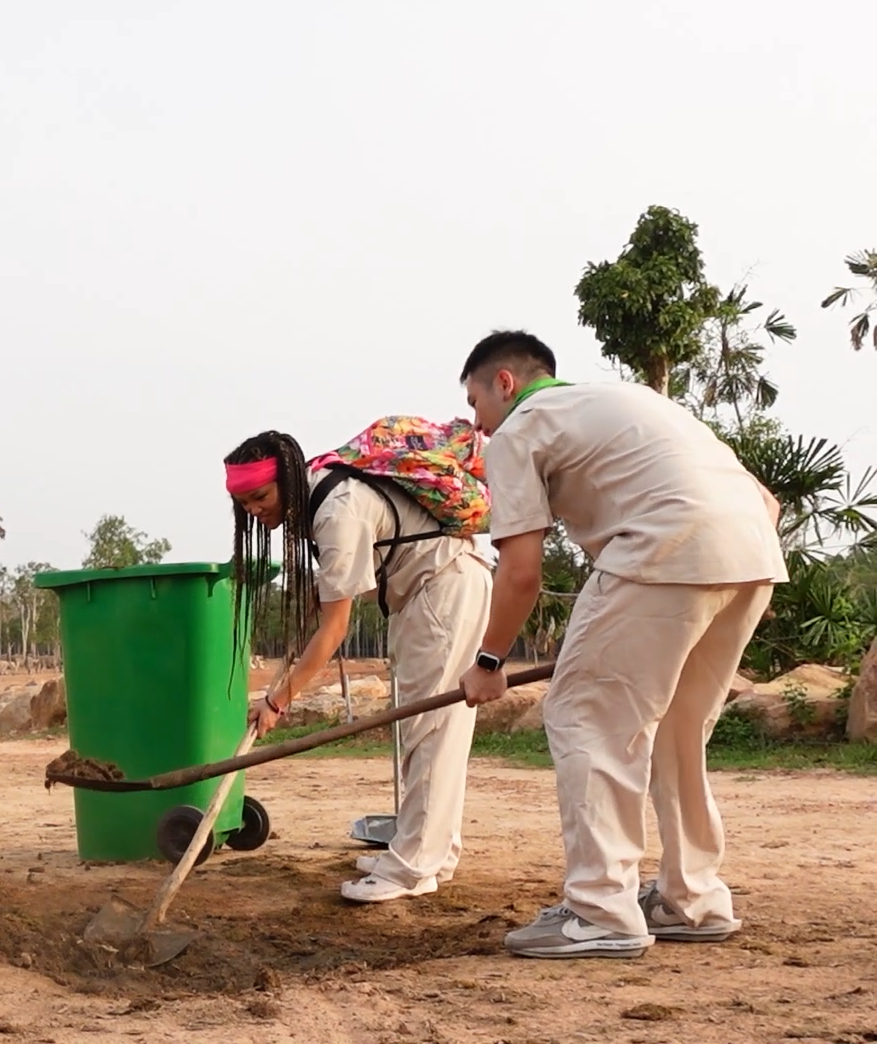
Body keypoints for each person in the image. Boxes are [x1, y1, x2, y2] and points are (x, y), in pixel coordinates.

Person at [455, 330, 786, 959]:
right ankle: (692, 899)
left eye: (475, 403)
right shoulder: (632, 401)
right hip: (751, 555)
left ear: (506, 383)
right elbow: (764, 502)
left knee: (586, 716)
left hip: (663, 549)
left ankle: (600, 908)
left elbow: (521, 573)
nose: (478, 423)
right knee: (675, 730)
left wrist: (490, 662)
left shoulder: (523, 427)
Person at [229, 427, 492, 903]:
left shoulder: (335, 510)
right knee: (428, 729)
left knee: (431, 731)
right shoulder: (318, 502)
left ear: (286, 482)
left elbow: (334, 631)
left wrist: (277, 700)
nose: (253, 509)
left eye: (259, 496)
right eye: (243, 502)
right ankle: (433, 850)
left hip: (443, 590)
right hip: (425, 595)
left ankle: (413, 867)